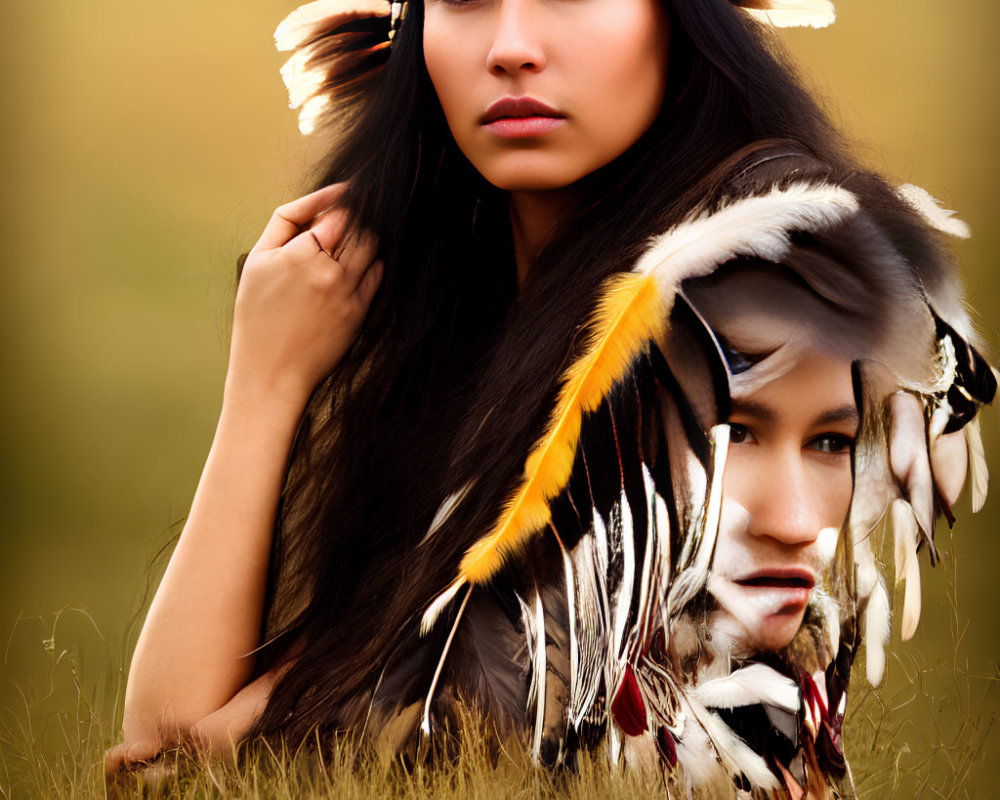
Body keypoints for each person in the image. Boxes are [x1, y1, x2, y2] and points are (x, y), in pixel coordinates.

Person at [106, 0, 994, 795]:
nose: (513, 45)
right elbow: (165, 743)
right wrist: (266, 378)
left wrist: (254, 722)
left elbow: (178, 768)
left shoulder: (755, 274)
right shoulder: (472, 329)